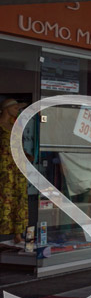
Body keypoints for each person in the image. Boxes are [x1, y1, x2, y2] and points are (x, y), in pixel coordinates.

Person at [0, 99, 28, 244]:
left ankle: (18, 234)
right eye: (15, 107)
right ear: (7, 109)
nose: (18, 110)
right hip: (4, 169)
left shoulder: (15, 127)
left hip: (18, 167)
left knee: (19, 198)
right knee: (5, 198)